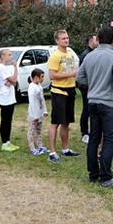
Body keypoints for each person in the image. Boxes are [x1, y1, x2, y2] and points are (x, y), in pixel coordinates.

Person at [76, 27, 113, 188]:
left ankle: (93, 174)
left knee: (94, 139)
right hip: (109, 103)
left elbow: (79, 78)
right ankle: (106, 177)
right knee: (109, 140)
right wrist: (112, 87)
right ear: (112, 40)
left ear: (98, 39)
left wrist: (93, 86)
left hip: (93, 102)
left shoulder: (90, 56)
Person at [46, 29, 81, 163]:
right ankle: (52, 152)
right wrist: (70, 74)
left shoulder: (70, 54)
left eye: (67, 38)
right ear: (57, 41)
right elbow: (52, 75)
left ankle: (65, 149)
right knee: (55, 122)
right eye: (63, 38)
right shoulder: (55, 56)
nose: (66, 40)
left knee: (66, 122)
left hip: (70, 90)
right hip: (59, 91)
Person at [0, 49, 19, 152]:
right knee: (5, 120)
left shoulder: (5, 67)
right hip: (5, 98)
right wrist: (15, 68)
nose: (11, 57)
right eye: (9, 55)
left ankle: (8, 141)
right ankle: (4, 142)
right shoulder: (1, 67)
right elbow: (12, 80)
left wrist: (12, 80)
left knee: (9, 120)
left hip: (10, 97)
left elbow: (12, 82)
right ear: (3, 56)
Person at [79, 33, 98, 144]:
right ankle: (85, 133)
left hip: (92, 85)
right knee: (86, 109)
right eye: (96, 40)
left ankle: (91, 131)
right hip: (86, 86)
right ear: (91, 42)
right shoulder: (86, 54)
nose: (98, 42)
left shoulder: (94, 53)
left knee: (91, 109)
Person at [26, 68, 49, 155]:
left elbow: (42, 100)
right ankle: (32, 148)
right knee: (31, 130)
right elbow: (32, 102)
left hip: (39, 113)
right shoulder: (32, 87)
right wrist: (34, 116)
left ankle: (40, 146)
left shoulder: (39, 86)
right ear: (36, 77)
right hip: (33, 114)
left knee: (38, 130)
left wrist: (44, 111)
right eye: (42, 76)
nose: (43, 78)